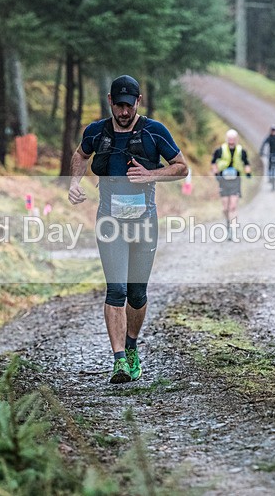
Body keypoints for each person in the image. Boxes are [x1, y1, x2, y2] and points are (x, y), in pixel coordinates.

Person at [69, 75, 188, 384]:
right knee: (117, 290)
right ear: (110, 101)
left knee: (137, 293)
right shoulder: (97, 132)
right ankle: (119, 360)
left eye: (129, 105)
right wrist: (74, 181)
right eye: (118, 105)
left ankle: (132, 345)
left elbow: (181, 166)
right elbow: (81, 155)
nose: (123, 112)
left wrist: (152, 174)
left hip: (144, 222)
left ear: (138, 102)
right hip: (109, 222)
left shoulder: (154, 131)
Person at [211, 129, 251, 239]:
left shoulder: (241, 151)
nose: (231, 141)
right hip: (223, 181)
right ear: (226, 139)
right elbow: (213, 163)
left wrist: (248, 173)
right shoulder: (220, 150)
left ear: (236, 139)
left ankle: (233, 230)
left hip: (235, 180)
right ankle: (228, 224)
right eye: (229, 139)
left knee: (233, 206)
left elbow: (246, 163)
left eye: (233, 139)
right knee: (225, 208)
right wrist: (216, 174)